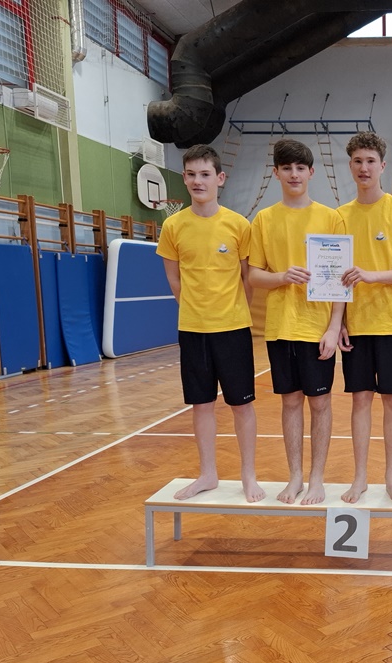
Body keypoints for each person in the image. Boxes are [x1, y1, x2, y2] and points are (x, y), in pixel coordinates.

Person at [157, 144, 265, 503]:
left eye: (205, 174)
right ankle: (208, 474)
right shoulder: (173, 226)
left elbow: (248, 279)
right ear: (184, 178)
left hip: (232, 329)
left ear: (220, 178)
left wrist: (230, 310)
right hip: (193, 330)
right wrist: (195, 309)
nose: (197, 181)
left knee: (241, 404)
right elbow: (174, 279)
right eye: (191, 174)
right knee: (201, 404)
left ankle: (248, 475)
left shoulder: (239, 225)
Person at [248, 139, 346, 505]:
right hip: (280, 328)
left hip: (317, 328)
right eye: (286, 168)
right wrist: (281, 277)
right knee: (290, 402)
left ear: (311, 172)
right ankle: (295, 478)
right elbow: (254, 274)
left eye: (300, 168)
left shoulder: (331, 218)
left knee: (320, 403)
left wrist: (334, 327)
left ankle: (317, 478)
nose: (294, 174)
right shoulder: (264, 219)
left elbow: (341, 280)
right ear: (276, 173)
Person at [337, 131, 392, 504]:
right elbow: (335, 277)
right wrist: (338, 322)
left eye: (370, 161)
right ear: (350, 166)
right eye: (358, 161)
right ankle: (359, 478)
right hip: (356, 325)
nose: (364, 167)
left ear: (382, 165)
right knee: (359, 401)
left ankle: (391, 477)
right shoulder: (339, 216)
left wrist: (372, 276)